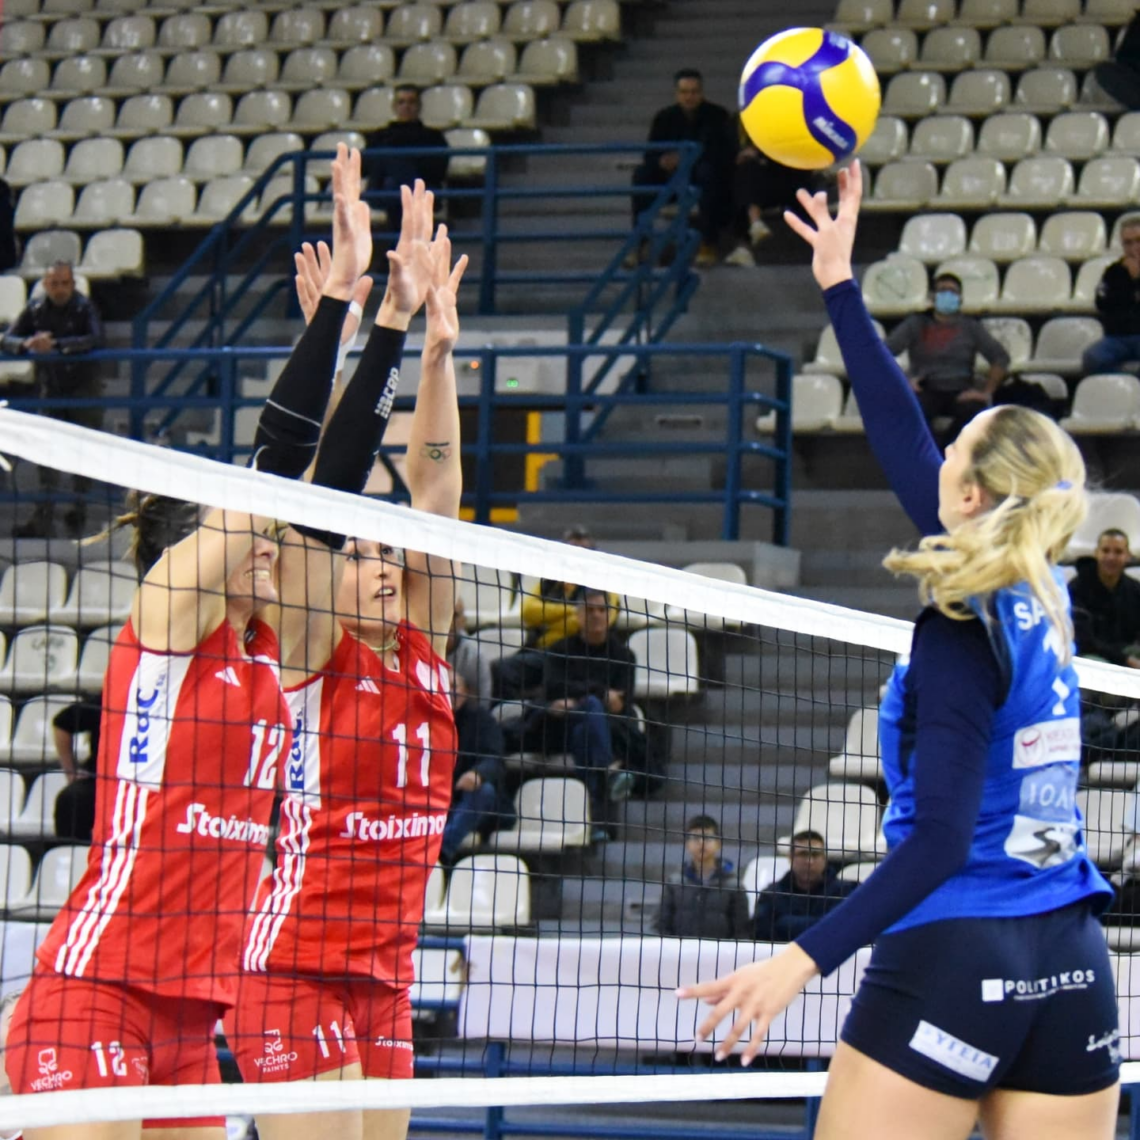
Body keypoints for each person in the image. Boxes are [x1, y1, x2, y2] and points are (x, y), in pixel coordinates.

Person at [681, 162, 1120, 1140]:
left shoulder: (961, 625)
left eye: (955, 451)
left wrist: (800, 960)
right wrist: (840, 286)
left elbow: (939, 841)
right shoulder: (1044, 595)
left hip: (959, 958)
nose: (938, 454)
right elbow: (903, 441)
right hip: (1073, 969)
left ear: (971, 498)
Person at [3, 143, 376, 1140]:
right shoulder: (167, 615)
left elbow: (324, 496)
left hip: (190, 1018)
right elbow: (273, 472)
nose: (271, 545)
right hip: (96, 992)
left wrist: (365, 335)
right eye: (251, 536)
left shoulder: (269, 650)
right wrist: (330, 315)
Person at [233, 210, 467, 1140]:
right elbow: (317, 508)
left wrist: (438, 357)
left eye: (386, 551)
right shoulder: (309, 648)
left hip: (387, 977)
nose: (379, 563)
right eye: (359, 554)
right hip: (293, 967)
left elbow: (436, 495)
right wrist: (343, 351)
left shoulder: (425, 648)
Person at [515, 588, 643, 837]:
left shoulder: (624, 656)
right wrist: (600, 692)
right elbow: (552, 689)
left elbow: (622, 704)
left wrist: (578, 696)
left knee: (586, 730)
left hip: (596, 730)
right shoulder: (559, 649)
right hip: (558, 726)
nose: (596, 615)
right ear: (578, 614)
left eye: (602, 610)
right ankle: (607, 773)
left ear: (610, 615)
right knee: (593, 707)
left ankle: (595, 817)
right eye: (590, 610)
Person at [2, 262, 104, 537]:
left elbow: (95, 338)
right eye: (54, 284)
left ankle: (79, 511)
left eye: (64, 283)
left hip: (84, 389)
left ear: (72, 284)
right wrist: (27, 344)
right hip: (52, 389)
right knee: (46, 455)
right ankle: (43, 518)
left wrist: (57, 345)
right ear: (46, 285)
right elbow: (7, 339)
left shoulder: (84, 307)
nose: (60, 289)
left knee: (84, 452)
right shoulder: (36, 308)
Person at [884, 271, 1010, 447]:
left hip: (961, 390)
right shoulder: (916, 323)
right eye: (942, 290)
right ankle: (928, 456)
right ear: (933, 297)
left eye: (953, 291)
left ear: (960, 298)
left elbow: (1000, 357)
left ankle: (947, 452)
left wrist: (986, 392)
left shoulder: (971, 327)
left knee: (976, 412)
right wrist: (904, 380)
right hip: (926, 389)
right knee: (910, 410)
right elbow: (883, 352)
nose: (947, 295)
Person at [630, 68, 737, 268]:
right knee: (641, 176)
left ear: (701, 93)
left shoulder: (718, 115)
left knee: (708, 174)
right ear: (676, 94)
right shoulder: (664, 117)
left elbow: (724, 154)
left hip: (704, 178)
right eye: (684, 92)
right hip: (671, 179)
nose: (689, 97)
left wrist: (688, 159)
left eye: (694, 92)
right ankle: (639, 244)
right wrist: (662, 161)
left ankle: (708, 243)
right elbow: (650, 153)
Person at [439, 672, 513, 865]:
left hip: (484, 807)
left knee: (483, 791)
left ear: (466, 691)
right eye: (443, 687)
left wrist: (478, 774)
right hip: (443, 804)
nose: (449, 692)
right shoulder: (429, 722)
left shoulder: (482, 720)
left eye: (454, 686)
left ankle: (441, 852)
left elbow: (496, 760)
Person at [364, 85, 449, 242]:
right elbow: (367, 167)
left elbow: (438, 170)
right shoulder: (379, 136)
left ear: (419, 106)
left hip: (421, 192)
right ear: (394, 106)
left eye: (411, 102)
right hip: (386, 193)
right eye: (401, 102)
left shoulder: (433, 137)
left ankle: (399, 246)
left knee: (399, 185)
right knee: (395, 186)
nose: (406, 106)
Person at [724, 123, 815, 269]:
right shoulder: (736, 125)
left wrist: (759, 154)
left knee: (746, 182)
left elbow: (793, 159)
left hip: (790, 181)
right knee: (744, 176)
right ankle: (754, 225)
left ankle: (746, 242)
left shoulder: (788, 125)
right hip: (757, 186)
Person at [656, 815, 749, 940]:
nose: (701, 842)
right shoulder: (674, 883)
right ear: (687, 844)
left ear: (718, 843)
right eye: (695, 838)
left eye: (708, 838)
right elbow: (660, 925)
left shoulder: (734, 886)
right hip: (680, 951)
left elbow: (741, 932)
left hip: (720, 952)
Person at [752, 830, 854, 943]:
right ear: (790, 858)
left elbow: (844, 930)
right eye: (803, 854)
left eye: (815, 854)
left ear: (824, 858)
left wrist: (784, 924)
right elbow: (760, 934)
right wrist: (822, 923)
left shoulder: (847, 892)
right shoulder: (771, 895)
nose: (809, 861)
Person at [1068, 528, 1140, 666]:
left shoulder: (1135, 589)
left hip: (1126, 651)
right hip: (1090, 655)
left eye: (1118, 552)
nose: (1111, 557)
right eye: (1106, 551)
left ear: (1128, 556)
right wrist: (1126, 660)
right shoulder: (1077, 588)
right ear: (1096, 553)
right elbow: (1084, 641)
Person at [1081, 215, 1140, 378]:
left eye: (1138, 241)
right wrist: (1131, 288)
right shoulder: (1113, 271)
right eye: (1128, 243)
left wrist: (1136, 280)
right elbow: (1102, 302)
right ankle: (1125, 382)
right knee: (1092, 358)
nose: (1134, 247)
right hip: (1117, 338)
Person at [51, 697, 100, 842]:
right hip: (101, 781)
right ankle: (70, 852)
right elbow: (61, 723)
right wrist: (70, 772)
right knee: (71, 799)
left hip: (148, 782)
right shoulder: (110, 698)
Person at [447, 595, 493, 705]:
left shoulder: (476, 656)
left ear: (463, 621)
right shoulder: (414, 646)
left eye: (454, 615)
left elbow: (483, 703)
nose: (448, 621)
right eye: (442, 614)